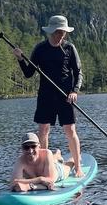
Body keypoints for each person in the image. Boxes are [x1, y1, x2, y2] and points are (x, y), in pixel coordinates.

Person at [11, 15, 84, 177]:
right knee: (43, 130)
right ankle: (44, 167)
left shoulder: (69, 48)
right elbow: (29, 73)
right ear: (51, 32)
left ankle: (78, 166)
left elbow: (79, 73)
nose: (62, 35)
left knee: (70, 130)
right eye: (59, 32)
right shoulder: (40, 49)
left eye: (64, 32)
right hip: (45, 97)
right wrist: (20, 59)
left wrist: (74, 91)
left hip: (66, 96)